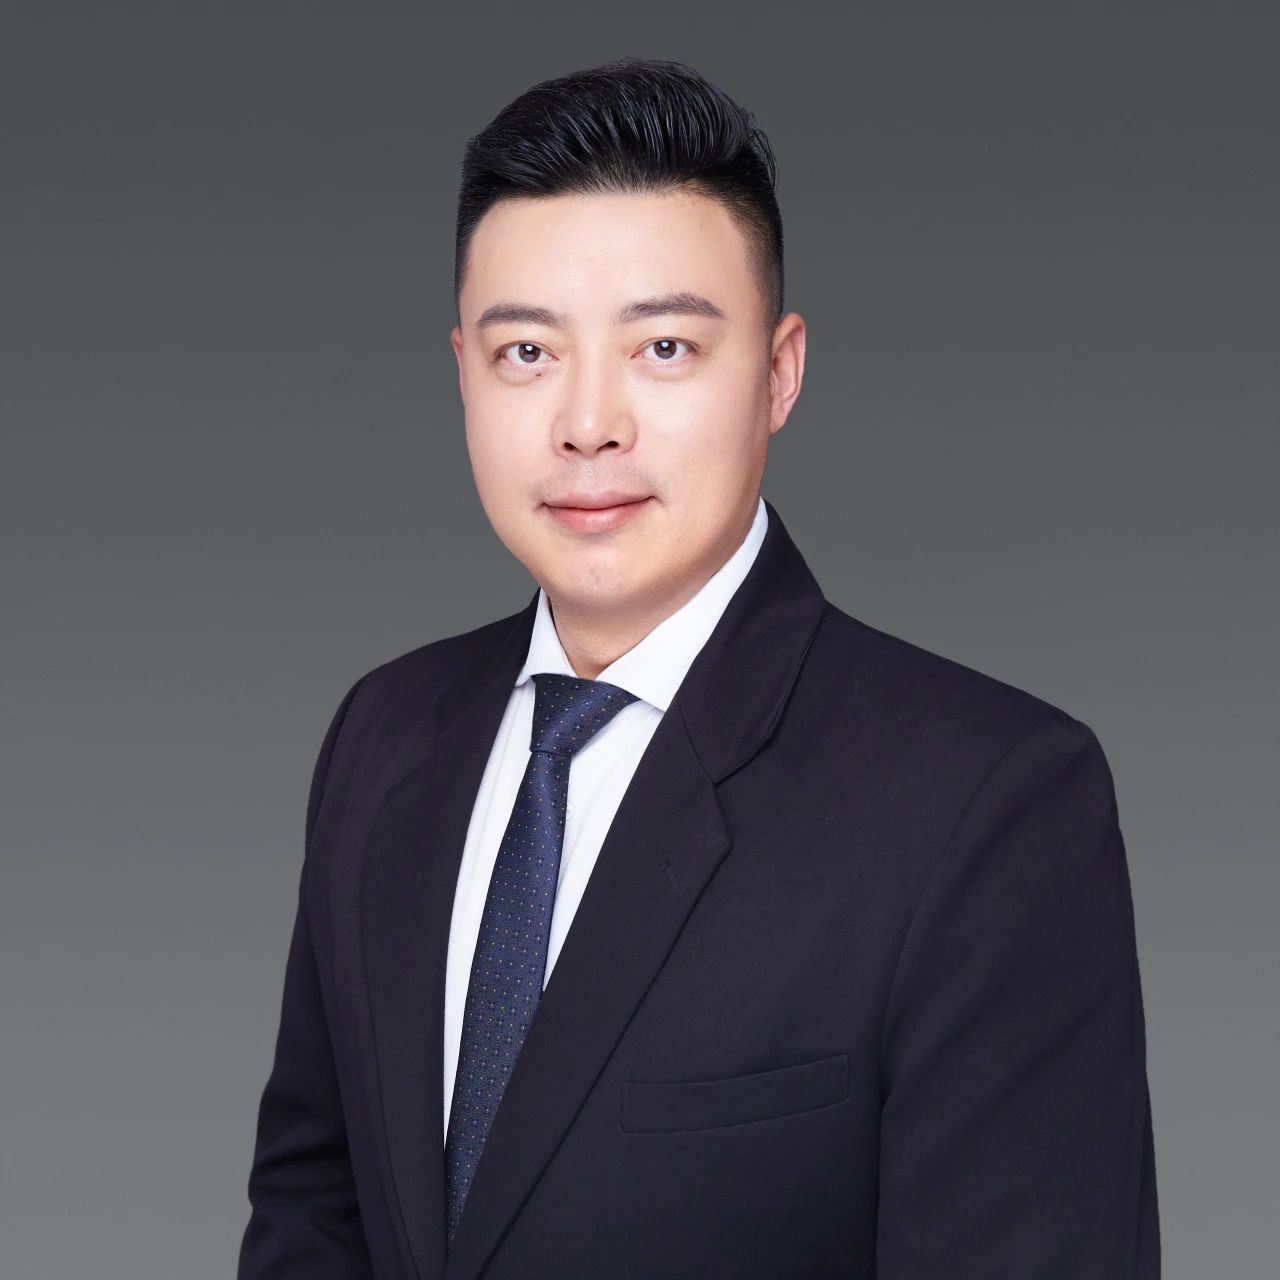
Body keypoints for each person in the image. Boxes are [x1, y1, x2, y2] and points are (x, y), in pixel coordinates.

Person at [236, 56, 1160, 1279]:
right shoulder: (384, 734)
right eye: (527, 353)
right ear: (462, 369)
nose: (587, 423)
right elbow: (312, 1211)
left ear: (777, 372)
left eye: (663, 346)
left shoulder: (987, 801)